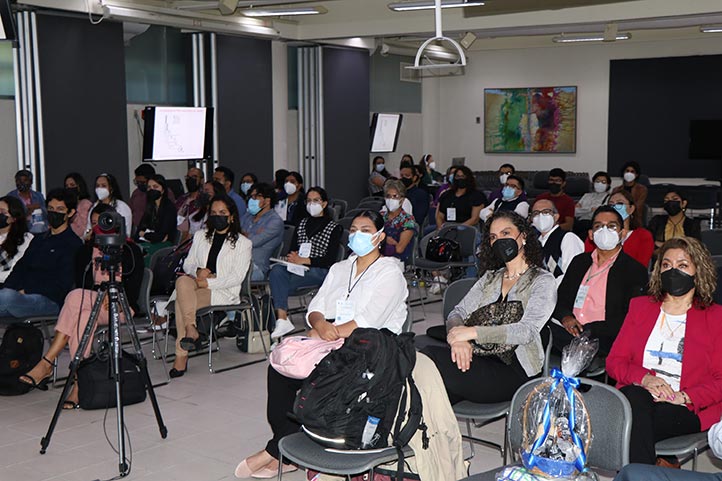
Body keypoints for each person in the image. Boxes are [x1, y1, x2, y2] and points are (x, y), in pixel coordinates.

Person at [234, 210, 408, 479]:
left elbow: (370, 320)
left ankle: (277, 450)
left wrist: (331, 331)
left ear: (379, 236)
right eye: (353, 229)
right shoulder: (340, 268)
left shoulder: (390, 272)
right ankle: (284, 443)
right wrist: (320, 326)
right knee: (283, 363)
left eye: (365, 229)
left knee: (317, 370)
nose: (357, 234)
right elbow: (315, 307)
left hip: (372, 346)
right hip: (331, 338)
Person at [606, 237, 722, 465]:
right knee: (636, 400)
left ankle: (636, 473)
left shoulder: (716, 317)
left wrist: (684, 396)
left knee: (629, 424)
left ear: (698, 271)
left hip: (684, 407)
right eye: (666, 265)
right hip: (639, 398)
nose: (673, 271)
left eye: (682, 265)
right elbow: (614, 362)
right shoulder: (640, 307)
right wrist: (645, 379)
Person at [421, 210, 556, 405]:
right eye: (493, 237)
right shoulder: (491, 277)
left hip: (514, 370)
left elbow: (526, 331)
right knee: (427, 391)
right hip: (477, 356)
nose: (499, 240)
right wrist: (458, 339)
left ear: (523, 236)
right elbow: (457, 313)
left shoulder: (542, 280)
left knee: (430, 360)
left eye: (506, 233)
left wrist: (472, 332)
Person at [18, 204, 145, 401]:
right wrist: (98, 295)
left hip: (119, 306)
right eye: (94, 223)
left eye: (103, 222)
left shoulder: (130, 249)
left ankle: (48, 362)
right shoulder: (85, 251)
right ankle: (80, 381)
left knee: (76, 297)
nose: (99, 228)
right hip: (91, 304)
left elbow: (134, 287)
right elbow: (82, 284)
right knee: (83, 314)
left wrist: (116, 299)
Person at [168, 195, 252, 377]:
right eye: (213, 213)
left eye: (222, 213)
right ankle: (191, 328)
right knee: (183, 281)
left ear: (231, 216)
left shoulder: (243, 244)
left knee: (182, 302)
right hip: (195, 285)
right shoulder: (200, 237)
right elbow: (187, 264)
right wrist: (199, 271)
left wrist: (207, 282)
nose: (217, 216)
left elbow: (236, 278)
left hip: (222, 291)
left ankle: (181, 356)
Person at [551, 206, 648, 355]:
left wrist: (591, 329)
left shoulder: (634, 270)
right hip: (568, 333)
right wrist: (566, 317)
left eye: (611, 226)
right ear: (591, 234)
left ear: (622, 234)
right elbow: (560, 298)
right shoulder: (579, 262)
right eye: (598, 226)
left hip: (604, 339)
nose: (604, 230)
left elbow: (631, 317)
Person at [268, 187, 342, 340]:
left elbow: (330, 259)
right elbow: (293, 249)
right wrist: (293, 257)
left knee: (278, 285)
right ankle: (282, 318)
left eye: (316, 200)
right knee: (276, 271)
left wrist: (305, 261)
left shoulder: (334, 227)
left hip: (320, 270)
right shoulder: (302, 224)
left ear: (324, 203)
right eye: (308, 201)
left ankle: (279, 312)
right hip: (298, 268)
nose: (311, 204)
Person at [0, 189, 82, 320]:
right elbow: (20, 268)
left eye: (59, 209)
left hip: (50, 300)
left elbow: (62, 283)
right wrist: (9, 288)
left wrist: (25, 289)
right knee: (6, 296)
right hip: (21, 297)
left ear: (70, 212)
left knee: (6, 298)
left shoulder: (73, 244)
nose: (54, 212)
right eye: (50, 208)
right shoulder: (39, 240)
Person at [584, 190, 655, 268]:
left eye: (620, 203)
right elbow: (587, 262)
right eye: (611, 204)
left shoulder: (643, 235)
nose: (615, 207)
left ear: (631, 209)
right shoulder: (597, 234)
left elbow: (641, 266)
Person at [530, 198, 584, 286]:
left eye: (546, 212)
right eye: (536, 213)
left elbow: (573, 273)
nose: (540, 216)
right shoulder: (534, 243)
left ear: (556, 216)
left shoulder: (568, 238)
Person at [241, 183, 284, 281]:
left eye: (257, 197)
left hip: (256, 268)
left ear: (267, 200)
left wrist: (244, 234)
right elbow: (233, 235)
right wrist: (248, 235)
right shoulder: (247, 216)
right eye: (251, 196)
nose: (252, 200)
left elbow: (253, 242)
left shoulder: (275, 221)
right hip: (237, 262)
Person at [136, 174, 178, 266]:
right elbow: (138, 232)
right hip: (149, 243)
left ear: (162, 190)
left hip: (165, 245)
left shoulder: (169, 208)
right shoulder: (150, 206)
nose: (152, 190)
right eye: (149, 187)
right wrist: (148, 235)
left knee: (145, 257)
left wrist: (144, 234)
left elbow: (161, 236)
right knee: (133, 251)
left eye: (155, 187)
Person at [435, 165, 487, 230]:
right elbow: (439, 216)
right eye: (457, 176)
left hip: (468, 227)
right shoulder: (446, 195)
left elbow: (475, 219)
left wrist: (458, 228)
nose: (460, 179)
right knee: (425, 240)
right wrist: (440, 228)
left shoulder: (477, 196)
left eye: (463, 176)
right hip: (447, 227)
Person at [0, 196, 32, 286]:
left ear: (14, 217)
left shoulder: (26, 239)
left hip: (9, 286)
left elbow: (15, 270)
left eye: (3, 212)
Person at [382, 179, 416, 262]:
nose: (391, 199)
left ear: (402, 199)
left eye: (395, 196)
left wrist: (382, 239)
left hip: (397, 260)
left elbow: (399, 249)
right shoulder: (381, 217)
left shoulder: (407, 220)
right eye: (388, 196)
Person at [8, 169, 47, 234]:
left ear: (31, 182)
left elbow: (47, 213)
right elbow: (10, 218)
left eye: (25, 180)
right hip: (20, 233)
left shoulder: (38, 196)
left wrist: (39, 207)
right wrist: (26, 213)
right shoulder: (10, 197)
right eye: (19, 180)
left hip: (40, 231)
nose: (21, 183)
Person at [175, 167, 205, 243]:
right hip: (177, 237)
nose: (190, 179)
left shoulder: (204, 200)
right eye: (188, 177)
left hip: (194, 239)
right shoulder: (181, 199)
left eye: (194, 177)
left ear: (201, 180)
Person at [64, 172, 93, 239]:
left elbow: (82, 230)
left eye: (72, 185)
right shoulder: (65, 205)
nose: (69, 188)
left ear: (79, 187)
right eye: (67, 186)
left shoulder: (85, 204)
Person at [129, 163, 155, 229]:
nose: (139, 185)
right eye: (137, 182)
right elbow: (130, 211)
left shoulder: (162, 193)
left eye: (142, 182)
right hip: (136, 229)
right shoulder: (136, 193)